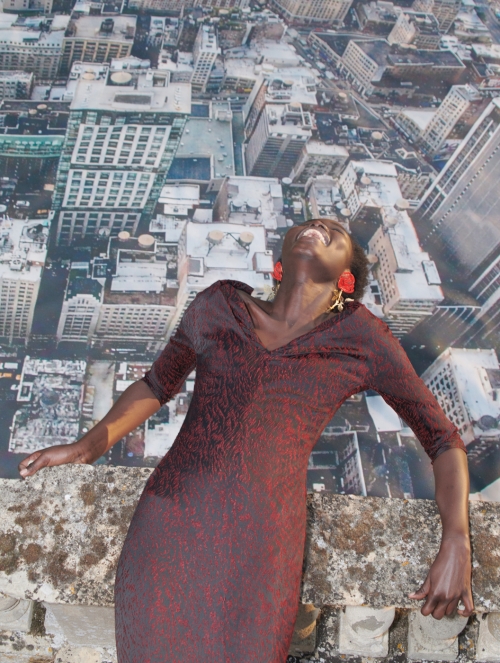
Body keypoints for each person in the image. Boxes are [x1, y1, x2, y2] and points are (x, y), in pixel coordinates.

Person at [19, 217, 473, 663]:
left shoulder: (362, 336)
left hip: (262, 548)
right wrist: (86, 448)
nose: (321, 225)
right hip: (168, 525)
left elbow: (442, 439)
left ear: (346, 278)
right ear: (280, 264)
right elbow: (156, 385)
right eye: (310, 223)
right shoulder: (219, 304)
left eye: (336, 234)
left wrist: (456, 538)